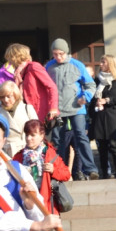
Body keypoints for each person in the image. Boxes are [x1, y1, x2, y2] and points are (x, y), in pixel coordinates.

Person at [14, 119, 70, 231]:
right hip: (27, 207)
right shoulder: (18, 156)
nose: (29, 138)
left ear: (41, 135)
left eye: (33, 135)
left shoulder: (50, 154)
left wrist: (53, 170)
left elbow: (66, 174)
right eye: (27, 135)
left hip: (47, 205)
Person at [45, 38, 98, 180]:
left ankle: (91, 169)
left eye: (61, 54)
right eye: (55, 54)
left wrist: (85, 97)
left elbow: (91, 85)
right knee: (58, 141)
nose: (58, 57)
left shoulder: (77, 65)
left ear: (66, 52)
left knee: (81, 136)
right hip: (58, 110)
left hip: (77, 109)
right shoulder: (49, 67)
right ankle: (58, 171)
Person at [1, 43, 59, 126]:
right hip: (28, 111)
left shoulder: (33, 67)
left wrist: (53, 108)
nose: (9, 61)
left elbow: (51, 87)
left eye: (9, 57)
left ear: (15, 57)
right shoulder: (18, 72)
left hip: (42, 112)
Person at [91, 55, 116, 178]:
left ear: (110, 64)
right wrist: (95, 103)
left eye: (103, 62)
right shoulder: (97, 80)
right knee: (101, 147)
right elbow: (92, 97)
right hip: (99, 116)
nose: (100, 64)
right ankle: (104, 173)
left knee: (113, 145)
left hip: (112, 116)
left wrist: (107, 100)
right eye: (101, 62)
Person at [0, 81, 38, 157]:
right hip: (7, 154)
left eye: (9, 96)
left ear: (16, 95)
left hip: (28, 153)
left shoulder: (27, 109)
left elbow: (37, 133)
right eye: (2, 97)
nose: (5, 100)